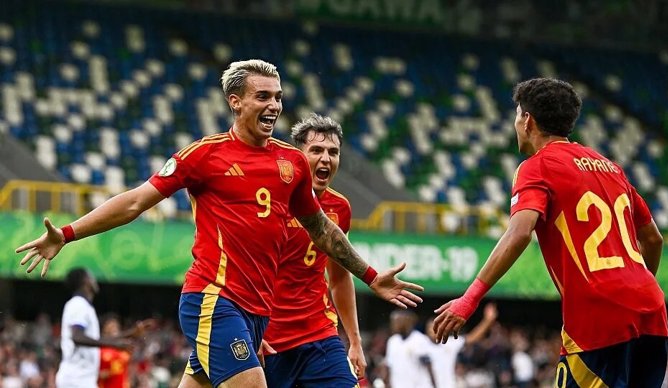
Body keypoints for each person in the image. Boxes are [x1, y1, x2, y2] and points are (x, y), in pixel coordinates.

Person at [16, 59, 423, 388]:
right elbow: (136, 201)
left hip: (256, 313)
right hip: (213, 299)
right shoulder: (204, 156)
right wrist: (67, 234)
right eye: (262, 96)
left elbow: (323, 231)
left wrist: (370, 276)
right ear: (235, 101)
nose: (274, 106)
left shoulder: (291, 163)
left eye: (278, 97)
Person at [433, 78, 668, 387]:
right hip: (653, 311)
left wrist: (469, 300)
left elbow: (519, 234)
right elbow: (653, 238)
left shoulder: (537, 167)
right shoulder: (611, 168)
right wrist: (637, 290)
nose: (516, 124)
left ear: (527, 120)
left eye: (517, 116)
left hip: (598, 316)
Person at [261, 114, 364, 387]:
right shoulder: (269, 200)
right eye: (316, 150)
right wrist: (249, 332)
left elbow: (340, 277)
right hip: (268, 340)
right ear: (298, 156)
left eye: (333, 152)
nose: (326, 159)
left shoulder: (340, 208)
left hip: (319, 336)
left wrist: (354, 340)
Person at [56, 268, 136, 388]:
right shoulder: (78, 304)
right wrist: (114, 344)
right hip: (77, 377)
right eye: (91, 277)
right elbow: (77, 337)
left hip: (82, 378)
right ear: (85, 281)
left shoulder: (83, 305)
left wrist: (131, 333)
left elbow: (95, 339)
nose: (94, 280)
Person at [424, 303, 497, 388]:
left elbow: (472, 338)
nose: (433, 330)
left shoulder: (449, 343)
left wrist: (487, 320)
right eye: (431, 327)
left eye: (436, 327)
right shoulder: (419, 342)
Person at [99, 314, 154, 388]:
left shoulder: (122, 348)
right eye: (111, 326)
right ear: (104, 329)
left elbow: (129, 367)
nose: (114, 329)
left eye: (116, 326)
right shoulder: (100, 349)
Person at [384, 310, 436, 388]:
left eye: (397, 321)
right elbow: (389, 366)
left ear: (407, 322)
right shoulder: (392, 341)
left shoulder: (420, 339)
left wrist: (434, 385)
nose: (394, 325)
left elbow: (428, 366)